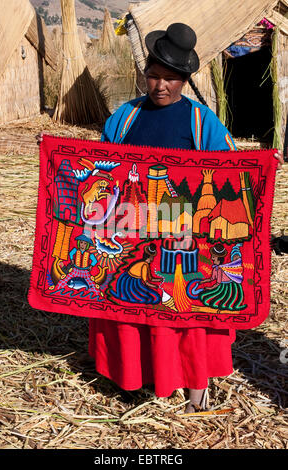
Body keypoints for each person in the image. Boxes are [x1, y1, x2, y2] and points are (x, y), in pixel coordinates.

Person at [36, 23, 284, 412]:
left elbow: (232, 169)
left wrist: (265, 164)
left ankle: (192, 382)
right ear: (144, 74)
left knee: (179, 308)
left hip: (180, 235)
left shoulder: (201, 122)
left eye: (171, 79)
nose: (160, 86)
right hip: (129, 228)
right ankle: (129, 374)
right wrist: (56, 152)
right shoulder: (126, 116)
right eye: (153, 76)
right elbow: (102, 165)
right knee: (125, 298)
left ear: (184, 80)